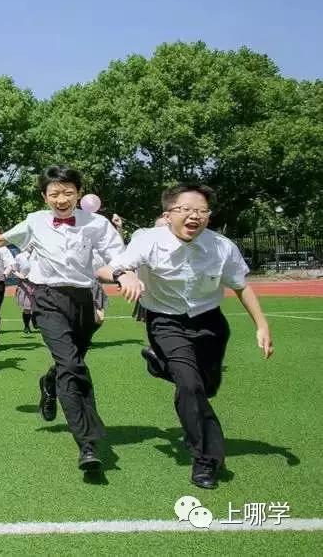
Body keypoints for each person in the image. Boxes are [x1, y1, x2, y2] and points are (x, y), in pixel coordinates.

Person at [100, 183, 273, 489]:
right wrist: (122, 274)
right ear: (168, 215)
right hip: (165, 322)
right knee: (190, 386)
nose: (195, 216)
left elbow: (241, 286)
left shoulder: (221, 246)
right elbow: (106, 270)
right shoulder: (148, 240)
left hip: (209, 323)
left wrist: (262, 325)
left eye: (202, 211)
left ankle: (161, 366)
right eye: (186, 210)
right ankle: (206, 460)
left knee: (206, 387)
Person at [0, 165, 124, 472]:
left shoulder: (96, 224)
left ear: (79, 194)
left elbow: (118, 258)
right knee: (73, 367)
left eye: (68, 192)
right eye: (55, 193)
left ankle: (49, 383)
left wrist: (127, 275)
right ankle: (87, 444)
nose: (62, 199)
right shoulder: (35, 221)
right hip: (47, 299)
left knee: (69, 364)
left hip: (84, 299)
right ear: (45, 196)